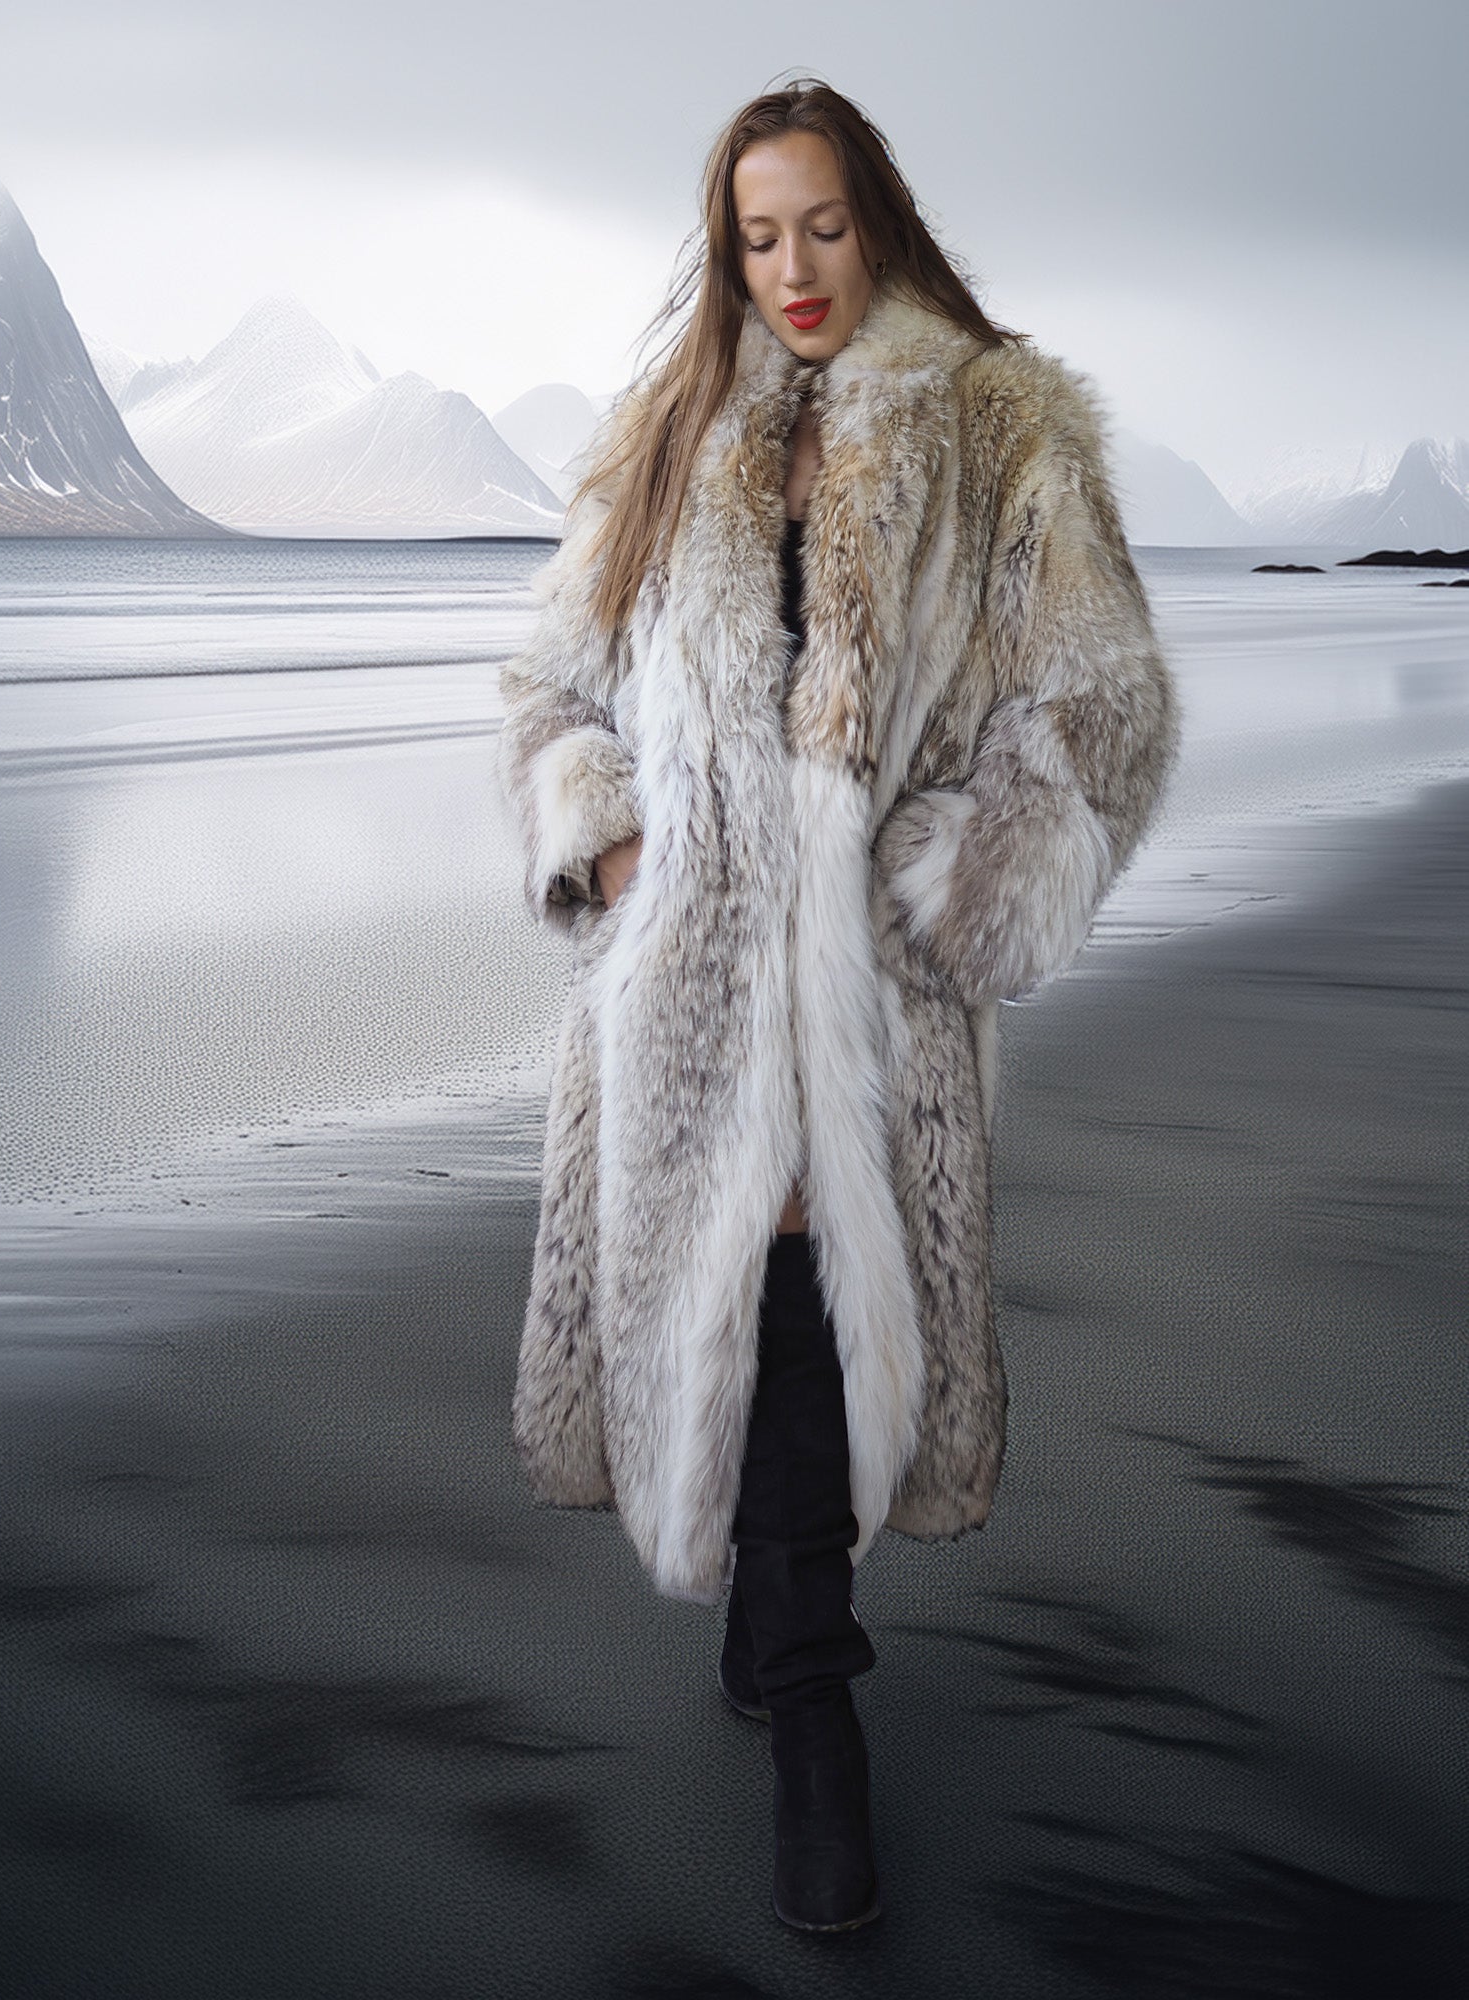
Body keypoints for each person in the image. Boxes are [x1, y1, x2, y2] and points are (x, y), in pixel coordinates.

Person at [495, 76, 1179, 1932]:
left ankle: (813, 1715)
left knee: (809, 1293)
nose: (789, 267)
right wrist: (617, 853)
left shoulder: (997, 425)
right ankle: (789, 1646)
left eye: (818, 223)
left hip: (875, 1002)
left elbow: (1097, 719)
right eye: (753, 234)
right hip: (690, 1000)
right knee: (747, 1302)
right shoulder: (663, 432)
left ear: (875, 214)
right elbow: (550, 691)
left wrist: (940, 896)